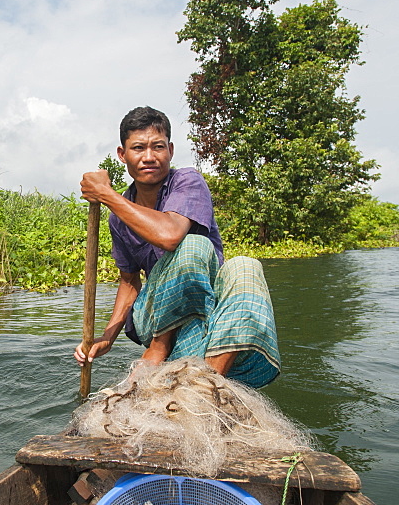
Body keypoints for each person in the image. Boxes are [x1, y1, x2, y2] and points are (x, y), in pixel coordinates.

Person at [73, 106, 280, 387]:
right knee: (193, 246)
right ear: (123, 155)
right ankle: (160, 346)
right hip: (158, 316)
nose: (149, 157)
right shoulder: (119, 217)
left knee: (245, 265)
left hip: (208, 308)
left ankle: (208, 383)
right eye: (138, 148)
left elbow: (169, 235)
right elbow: (129, 281)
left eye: (158, 147)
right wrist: (107, 337)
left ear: (170, 150)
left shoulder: (187, 180)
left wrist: (106, 195)